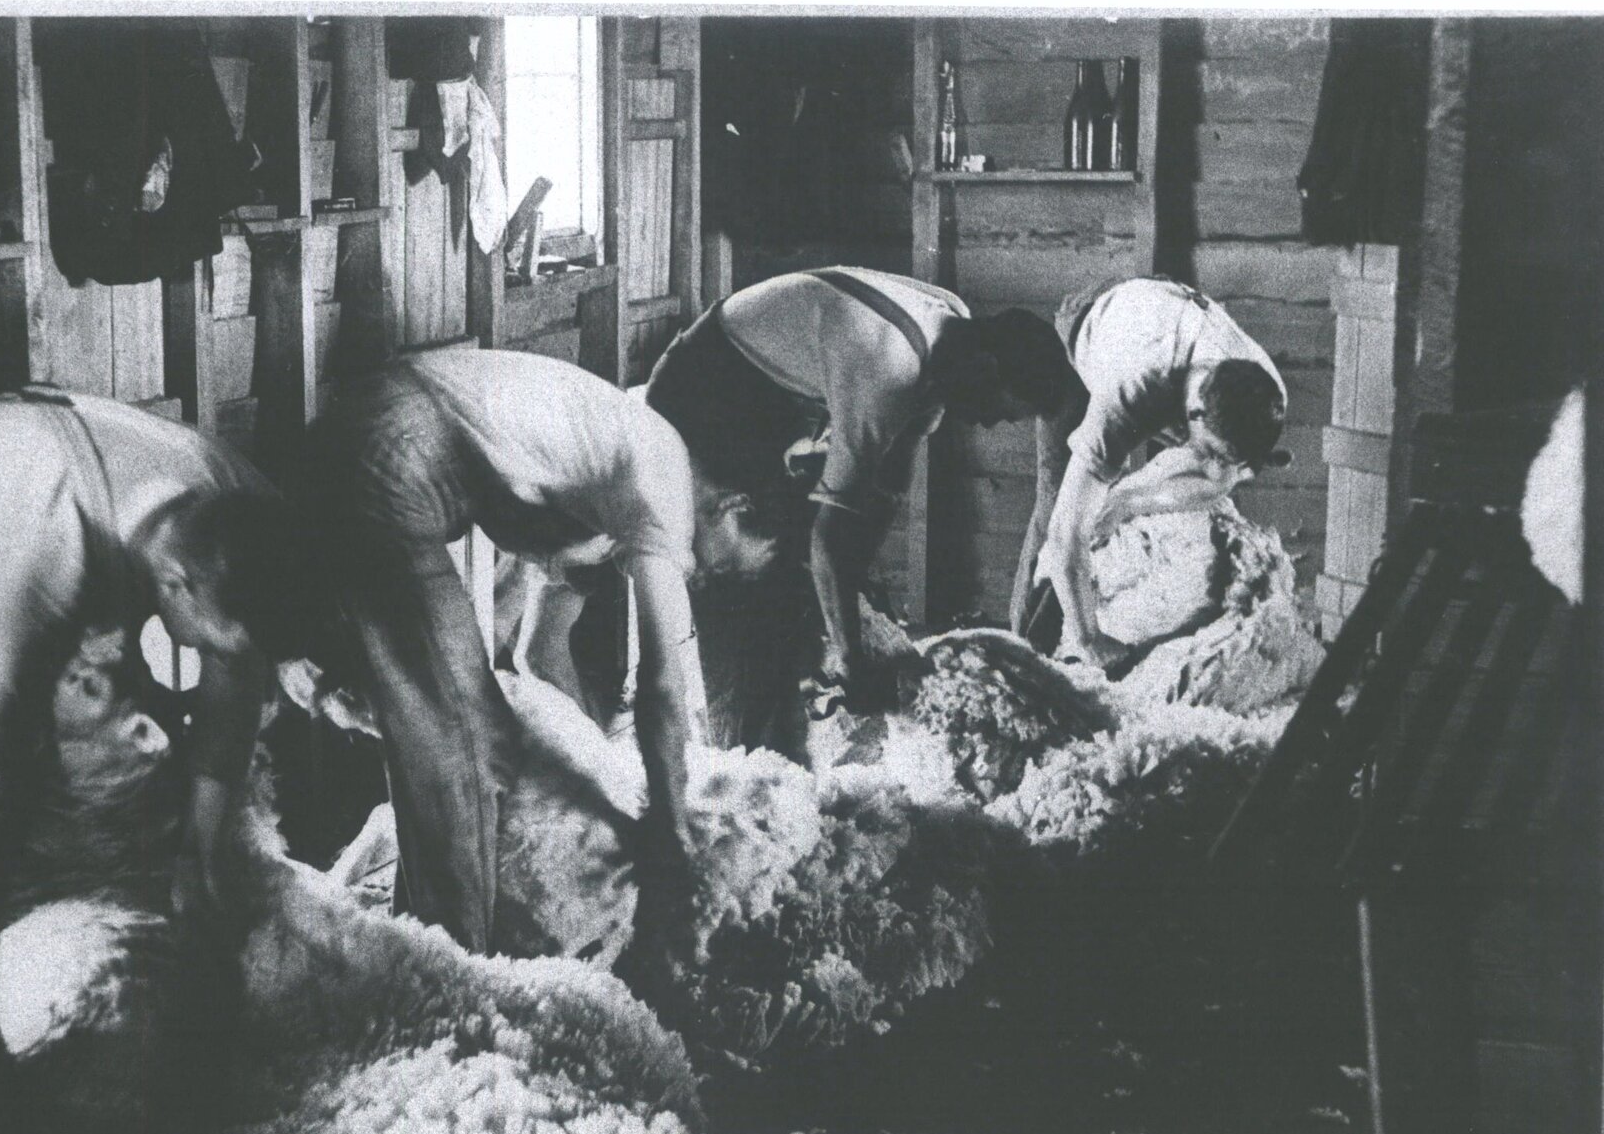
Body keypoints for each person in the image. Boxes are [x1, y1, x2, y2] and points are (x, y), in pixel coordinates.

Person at [0, 385, 301, 1134]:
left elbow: (234, 677)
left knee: (122, 737)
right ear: (175, 585)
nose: (222, 656)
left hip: (61, 475)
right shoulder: (49, 560)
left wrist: (199, 856)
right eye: (216, 640)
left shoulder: (238, 504)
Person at [295, 347, 753, 959]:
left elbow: (540, 650)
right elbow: (662, 686)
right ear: (733, 507)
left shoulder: (600, 483)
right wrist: (669, 836)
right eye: (733, 565)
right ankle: (452, 977)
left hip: (371, 434)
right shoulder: (665, 495)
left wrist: (601, 770)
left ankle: (421, 937)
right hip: (391, 448)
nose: (710, 578)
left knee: (460, 737)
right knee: (463, 743)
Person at [642, 265, 1079, 752]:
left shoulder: (951, 338)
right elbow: (831, 539)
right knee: (748, 569)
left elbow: (883, 495)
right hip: (698, 393)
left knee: (801, 576)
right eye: (999, 410)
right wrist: (854, 657)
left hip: (767, 403)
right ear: (985, 368)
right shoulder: (890, 369)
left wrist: (854, 604)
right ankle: (746, 758)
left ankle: (788, 730)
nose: (989, 423)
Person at [1013, 276, 1291, 671]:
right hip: (1090, 326)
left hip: (1167, 319)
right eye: (1212, 452)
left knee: (1138, 495)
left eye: (1228, 457)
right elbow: (1064, 536)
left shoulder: (1266, 395)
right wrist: (1090, 640)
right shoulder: (1132, 386)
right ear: (1194, 413)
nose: (1215, 467)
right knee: (1061, 505)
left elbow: (1220, 479)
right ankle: (1025, 652)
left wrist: (1131, 500)